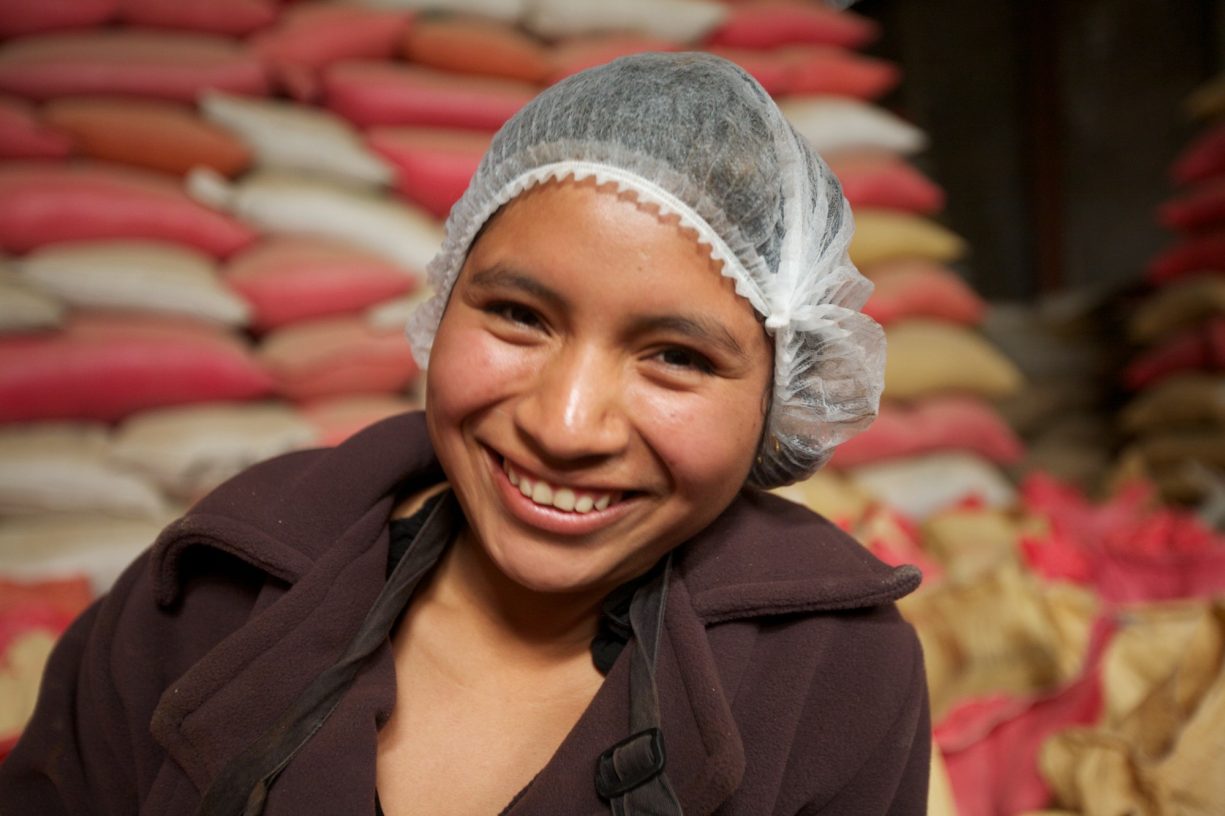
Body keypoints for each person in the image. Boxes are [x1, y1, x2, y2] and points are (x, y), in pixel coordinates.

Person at [0, 52, 930, 814]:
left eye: (676, 358)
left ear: (779, 398)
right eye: (520, 316)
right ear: (444, 296)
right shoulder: (211, 591)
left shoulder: (831, 678)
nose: (564, 426)